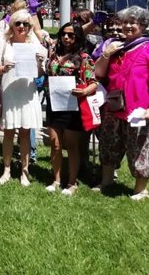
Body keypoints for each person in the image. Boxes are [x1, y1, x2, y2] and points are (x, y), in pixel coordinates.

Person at [94, 6, 149, 200]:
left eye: (132, 23)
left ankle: (140, 189)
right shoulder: (116, 47)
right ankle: (107, 181)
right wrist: (106, 54)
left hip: (140, 111)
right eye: (124, 22)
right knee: (109, 145)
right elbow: (99, 73)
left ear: (143, 26)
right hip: (115, 108)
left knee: (139, 148)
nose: (127, 26)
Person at [0, 9, 47, 186]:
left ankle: (25, 171)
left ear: (30, 26)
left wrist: (40, 62)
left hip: (27, 91)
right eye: (18, 23)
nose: (22, 27)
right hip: (9, 89)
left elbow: (40, 73)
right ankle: (6, 169)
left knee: (25, 132)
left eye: (25, 24)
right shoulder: (4, 42)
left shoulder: (35, 43)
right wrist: (4, 68)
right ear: (12, 25)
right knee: (8, 132)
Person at [44, 22, 97, 196]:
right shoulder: (54, 55)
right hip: (54, 104)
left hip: (73, 106)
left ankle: (72, 183)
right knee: (55, 144)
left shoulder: (84, 58)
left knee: (71, 146)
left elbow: (93, 84)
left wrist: (83, 91)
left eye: (71, 35)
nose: (66, 38)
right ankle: (56, 180)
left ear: (78, 37)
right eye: (64, 34)